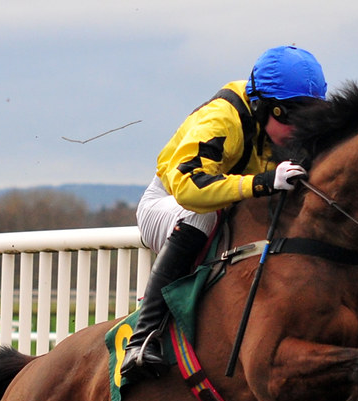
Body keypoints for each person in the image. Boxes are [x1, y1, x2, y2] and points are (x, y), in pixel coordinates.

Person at [120, 45, 327, 383]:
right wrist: (260, 183)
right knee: (205, 214)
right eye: (289, 118)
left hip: (231, 210)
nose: (298, 132)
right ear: (262, 107)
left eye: (309, 119)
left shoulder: (278, 120)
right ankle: (142, 339)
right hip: (170, 202)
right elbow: (189, 189)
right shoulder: (222, 119)